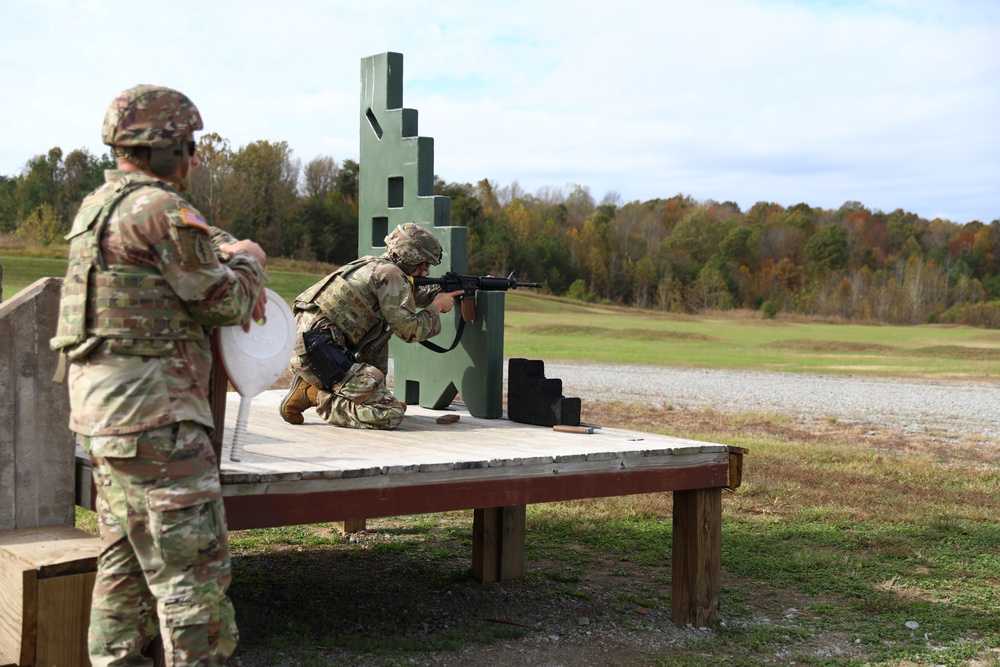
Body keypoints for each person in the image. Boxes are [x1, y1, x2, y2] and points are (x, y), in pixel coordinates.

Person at [50, 84, 267, 667]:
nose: (194, 159)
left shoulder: (97, 209)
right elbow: (223, 301)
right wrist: (249, 260)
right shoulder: (163, 210)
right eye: (189, 146)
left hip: (106, 421)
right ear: (167, 149)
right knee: (193, 580)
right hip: (158, 422)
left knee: (122, 571)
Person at [280, 222, 462, 429]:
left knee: (378, 332)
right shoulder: (391, 275)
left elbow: (407, 296)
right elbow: (409, 331)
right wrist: (436, 308)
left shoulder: (374, 265)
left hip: (311, 346)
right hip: (319, 351)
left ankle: (311, 387)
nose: (427, 272)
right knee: (389, 414)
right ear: (410, 258)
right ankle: (317, 396)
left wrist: (453, 290)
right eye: (424, 264)